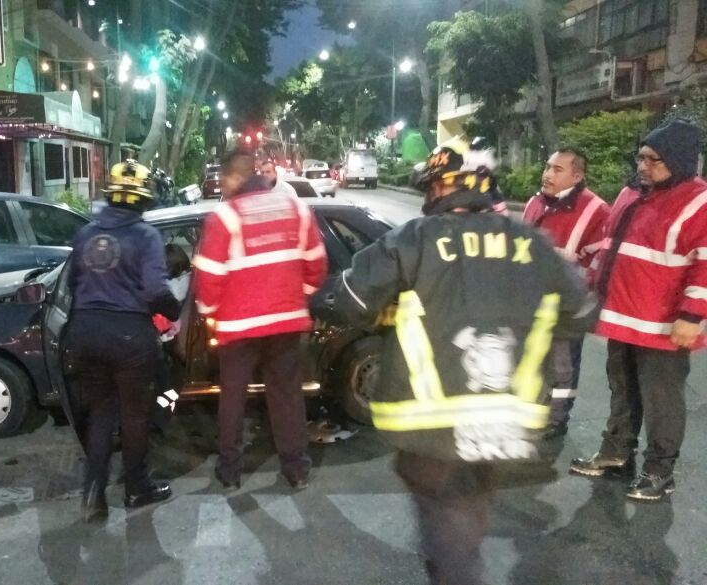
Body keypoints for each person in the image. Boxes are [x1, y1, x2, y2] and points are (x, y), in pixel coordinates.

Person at [335, 143, 591, 584]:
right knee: (466, 513)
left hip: (431, 421)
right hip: (507, 420)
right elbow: (582, 312)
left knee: (447, 525)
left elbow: (349, 300)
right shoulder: (531, 242)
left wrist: (391, 310)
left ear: (438, 190)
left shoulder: (415, 238)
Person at [570, 117, 707, 501]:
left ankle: (660, 472)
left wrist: (692, 316)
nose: (642, 166)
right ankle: (616, 456)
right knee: (622, 390)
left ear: (678, 161)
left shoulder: (698, 201)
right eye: (641, 157)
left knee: (662, 401)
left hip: (664, 324)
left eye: (653, 160)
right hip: (623, 316)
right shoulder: (632, 194)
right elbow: (610, 246)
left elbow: (705, 264)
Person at [193, 150, 328, 490]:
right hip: (286, 323)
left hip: (238, 328)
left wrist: (210, 313)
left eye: (223, 179)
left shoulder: (225, 217)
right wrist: (299, 296)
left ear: (236, 177)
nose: (221, 186)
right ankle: (296, 468)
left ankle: (230, 471)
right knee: (286, 395)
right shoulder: (297, 209)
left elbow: (208, 278)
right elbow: (316, 263)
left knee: (233, 397)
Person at [64, 160, 181, 522]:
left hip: (85, 332)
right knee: (134, 415)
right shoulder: (145, 236)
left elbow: (71, 285)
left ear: (111, 194)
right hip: (130, 337)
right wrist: (175, 312)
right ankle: (136, 487)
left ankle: (94, 493)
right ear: (144, 199)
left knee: (100, 414)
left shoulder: (86, 235)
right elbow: (155, 290)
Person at [522, 148, 610, 439]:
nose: (547, 174)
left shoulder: (596, 211)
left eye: (557, 170)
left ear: (577, 175)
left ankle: (556, 420)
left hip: (566, 307)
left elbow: (597, 265)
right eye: (547, 167)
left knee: (562, 366)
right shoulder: (536, 202)